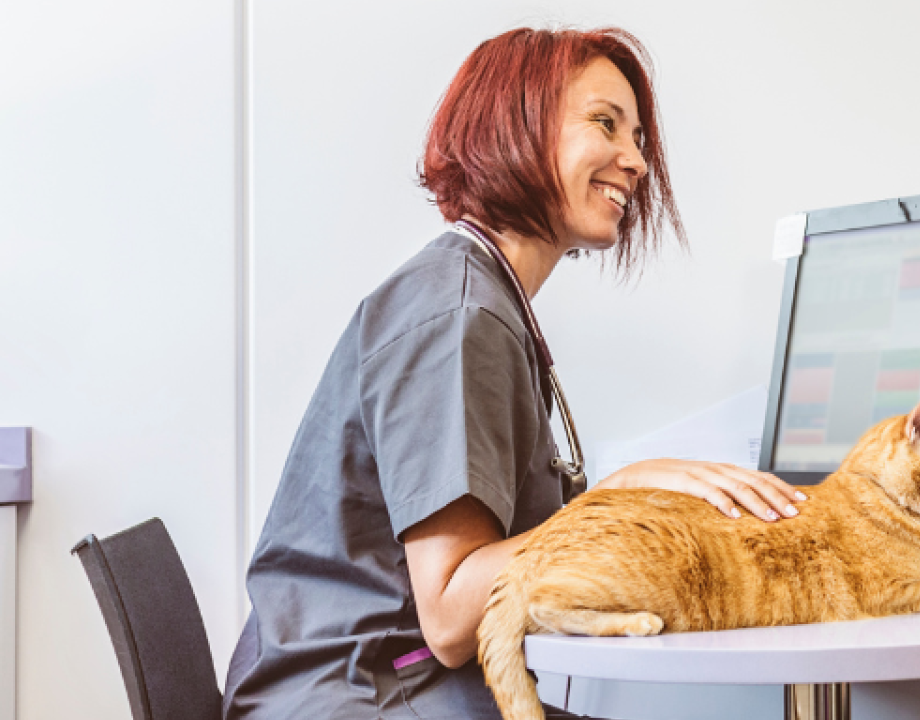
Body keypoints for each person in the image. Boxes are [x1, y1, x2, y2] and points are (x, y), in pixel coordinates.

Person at [223, 27, 806, 719]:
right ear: (517, 128)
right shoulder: (460, 312)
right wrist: (613, 502)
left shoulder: (478, 296)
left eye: (640, 139)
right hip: (363, 696)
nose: (636, 162)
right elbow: (447, 618)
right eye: (604, 123)